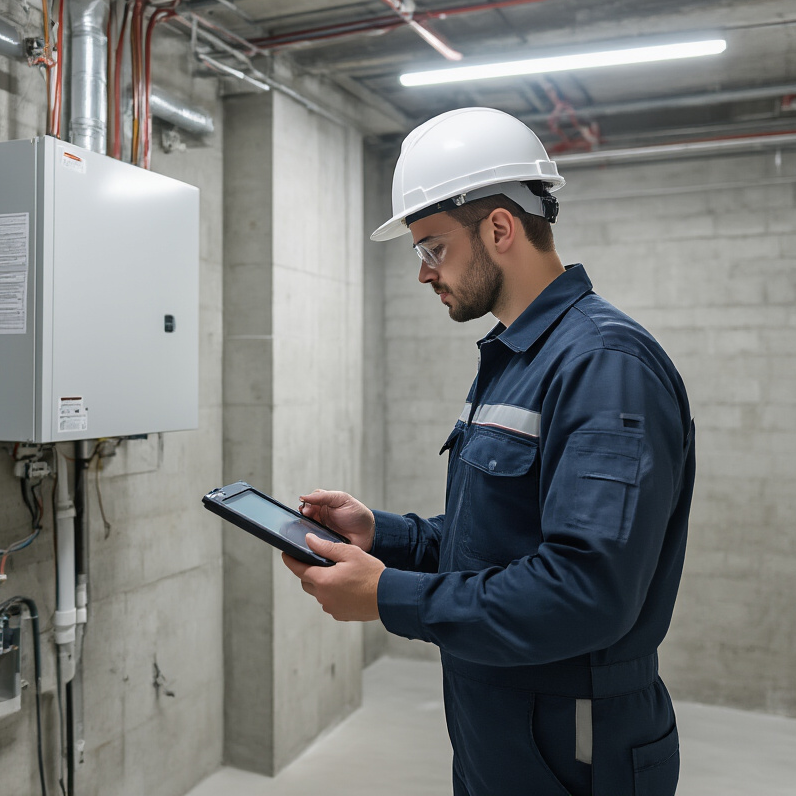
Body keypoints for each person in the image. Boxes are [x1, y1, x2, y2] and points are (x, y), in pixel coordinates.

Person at [282, 107, 696, 796]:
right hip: (501, 728)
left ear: (500, 229)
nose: (423, 273)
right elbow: (500, 538)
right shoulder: (516, 357)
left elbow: (585, 592)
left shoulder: (603, 364)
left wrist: (388, 595)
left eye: (432, 248)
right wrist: (383, 535)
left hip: (573, 742)